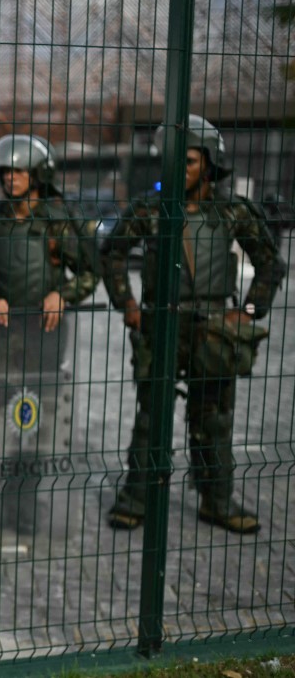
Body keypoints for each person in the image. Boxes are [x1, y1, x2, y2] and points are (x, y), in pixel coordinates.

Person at [102, 114, 285, 534]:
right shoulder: (150, 208)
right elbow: (112, 251)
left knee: (214, 418)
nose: (177, 169)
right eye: (171, 161)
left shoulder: (233, 211)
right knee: (152, 418)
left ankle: (216, 501)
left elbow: (270, 264)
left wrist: (251, 311)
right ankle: (136, 498)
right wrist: (126, 301)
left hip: (215, 329)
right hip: (160, 325)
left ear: (208, 162)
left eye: (186, 161)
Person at [0, 134, 99, 539]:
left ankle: (25, 506)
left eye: (18, 170)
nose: (9, 177)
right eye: (5, 170)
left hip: (43, 337)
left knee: (33, 423)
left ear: (38, 174)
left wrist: (62, 294)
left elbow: (89, 271)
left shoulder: (59, 221)